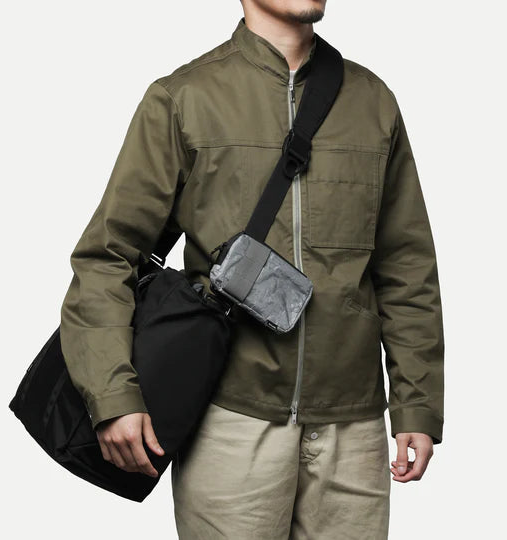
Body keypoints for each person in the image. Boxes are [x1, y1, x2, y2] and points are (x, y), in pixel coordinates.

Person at [60, 1, 445, 538]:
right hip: (229, 418)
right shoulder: (184, 98)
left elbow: (406, 265)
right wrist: (113, 395)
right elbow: (108, 256)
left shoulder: (373, 101)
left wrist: (417, 403)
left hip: (353, 427)